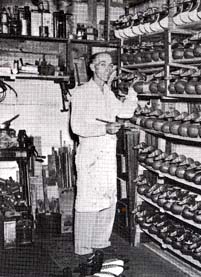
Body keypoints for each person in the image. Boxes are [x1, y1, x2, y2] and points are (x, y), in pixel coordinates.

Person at [70, 52, 137, 256]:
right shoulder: (81, 93)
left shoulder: (108, 93)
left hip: (107, 154)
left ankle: (100, 241)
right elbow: (77, 126)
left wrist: (133, 92)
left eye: (110, 65)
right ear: (92, 67)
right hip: (90, 154)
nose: (107, 69)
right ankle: (83, 248)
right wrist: (104, 129)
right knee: (88, 202)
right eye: (102, 64)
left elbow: (125, 112)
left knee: (108, 198)